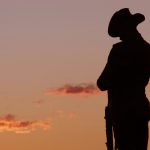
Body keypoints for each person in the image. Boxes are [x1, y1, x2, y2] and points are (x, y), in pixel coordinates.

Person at [97, 8, 150, 150]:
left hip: (123, 113)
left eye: (120, 32)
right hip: (141, 109)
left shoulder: (119, 50)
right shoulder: (147, 49)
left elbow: (102, 83)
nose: (120, 37)